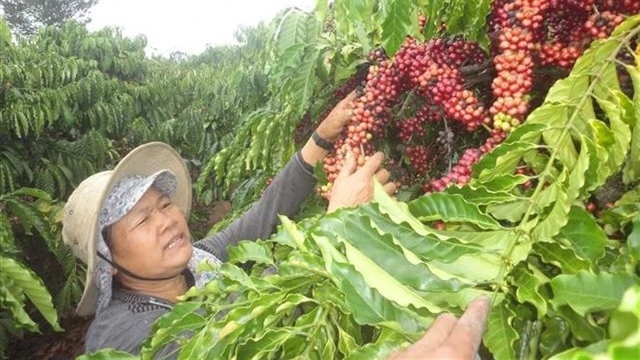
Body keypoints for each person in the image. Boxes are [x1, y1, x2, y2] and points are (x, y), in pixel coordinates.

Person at [63, 92, 490, 359]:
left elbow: (265, 214)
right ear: (109, 263)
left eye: (164, 204)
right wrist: (335, 222)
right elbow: (234, 328)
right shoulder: (119, 338)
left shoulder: (200, 262)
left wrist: (320, 140)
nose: (167, 220)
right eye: (141, 219)